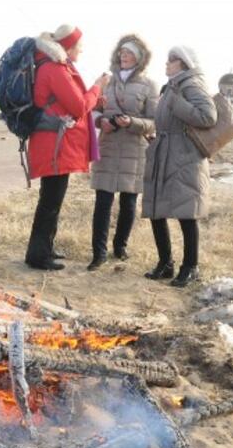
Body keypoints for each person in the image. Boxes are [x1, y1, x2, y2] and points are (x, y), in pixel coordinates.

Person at [24, 24, 110, 270]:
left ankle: (44, 248)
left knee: (51, 199)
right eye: (79, 46)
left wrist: (94, 95)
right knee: (51, 201)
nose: (81, 51)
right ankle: (38, 255)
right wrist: (97, 87)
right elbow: (78, 106)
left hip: (54, 142)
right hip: (56, 145)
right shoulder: (55, 68)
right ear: (68, 47)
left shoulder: (52, 66)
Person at [141, 45, 217, 287]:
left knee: (186, 213)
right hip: (165, 152)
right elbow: (165, 119)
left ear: (183, 63)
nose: (166, 64)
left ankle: (190, 266)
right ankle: (165, 263)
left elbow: (208, 117)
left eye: (170, 60)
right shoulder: (171, 87)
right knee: (156, 209)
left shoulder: (191, 85)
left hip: (185, 157)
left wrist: (175, 102)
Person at [88, 35, 158, 271]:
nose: (123, 56)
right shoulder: (106, 82)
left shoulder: (149, 86)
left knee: (128, 203)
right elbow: (92, 111)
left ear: (139, 58)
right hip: (108, 145)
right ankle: (98, 253)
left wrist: (132, 123)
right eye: (121, 52)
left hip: (134, 149)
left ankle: (120, 247)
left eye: (128, 53)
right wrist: (101, 123)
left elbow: (153, 122)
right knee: (102, 201)